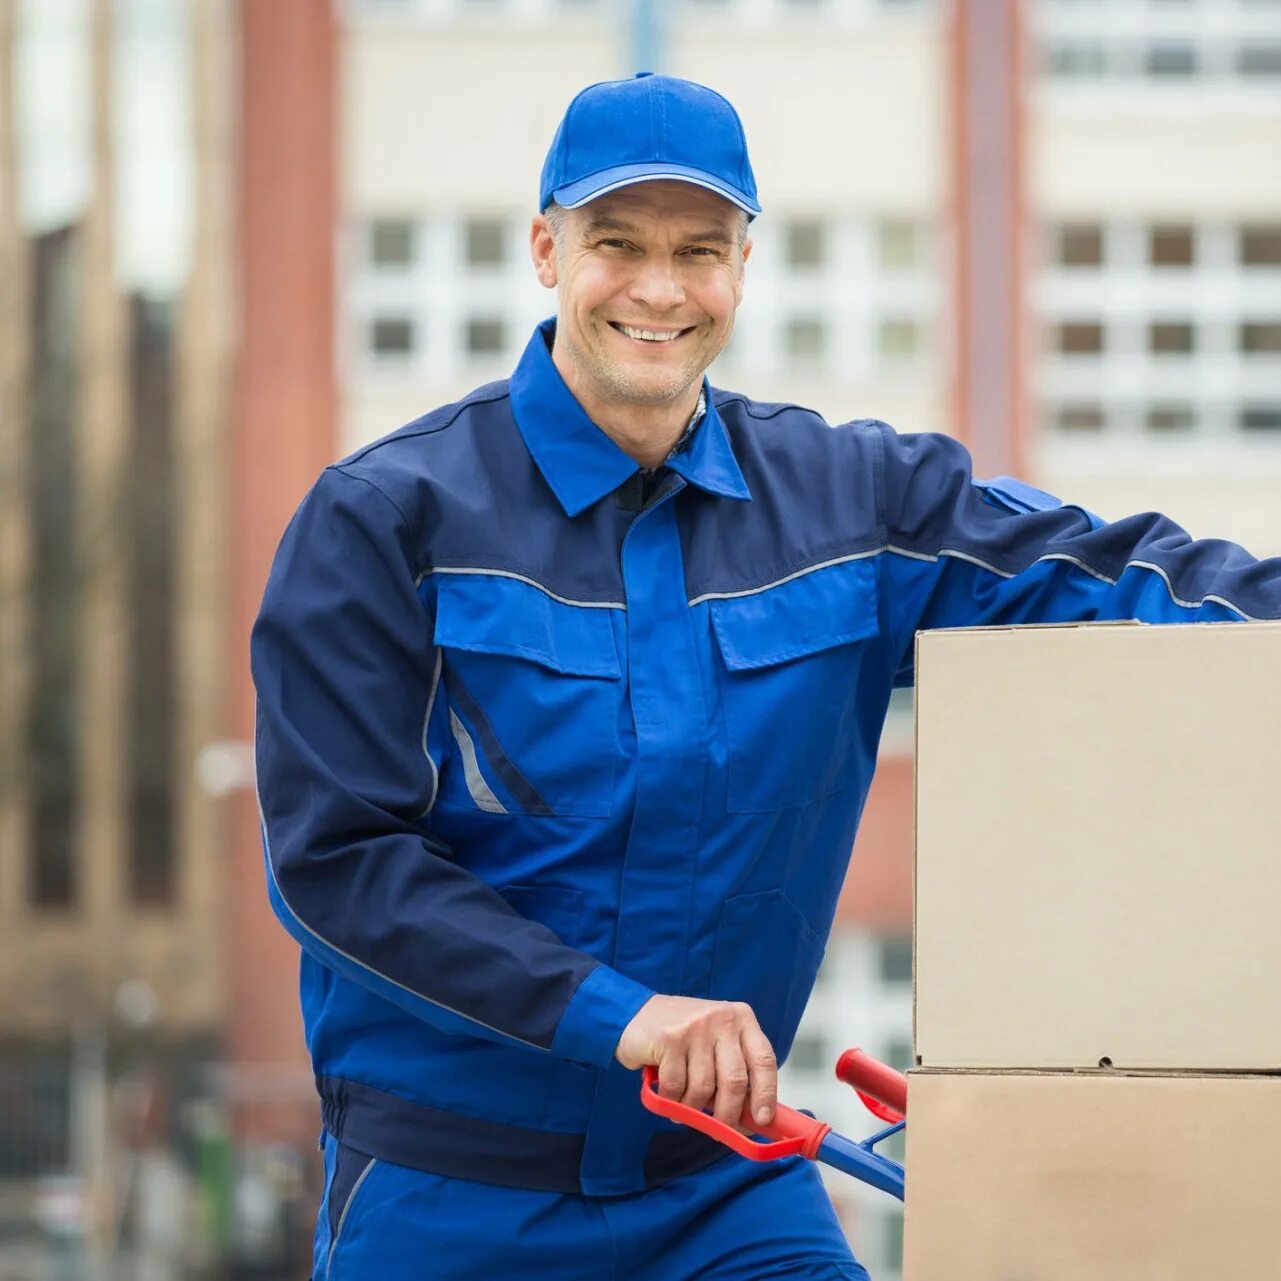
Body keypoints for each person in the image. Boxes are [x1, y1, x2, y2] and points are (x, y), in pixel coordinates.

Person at [251, 74, 1281, 1280]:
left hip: (722, 1192)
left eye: (699, 249)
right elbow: (338, 865)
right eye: (615, 244)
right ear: (544, 249)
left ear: (744, 263)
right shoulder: (385, 521)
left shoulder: (855, 506)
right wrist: (619, 1015)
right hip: (451, 1198)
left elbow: (1111, 574)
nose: (659, 287)